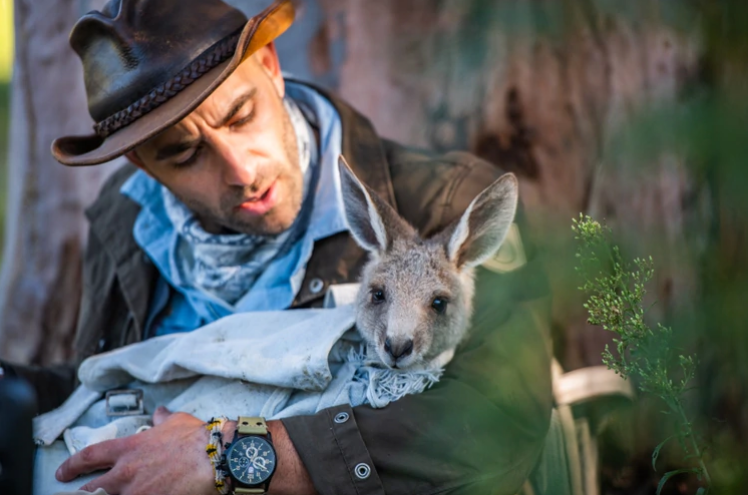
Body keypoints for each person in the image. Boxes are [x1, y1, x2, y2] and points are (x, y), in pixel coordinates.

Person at [0, 0, 554, 494]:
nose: (241, 171)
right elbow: (104, 377)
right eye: (184, 154)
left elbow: (500, 418)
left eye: (241, 115)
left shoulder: (441, 199)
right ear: (142, 163)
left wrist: (230, 455)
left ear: (269, 66)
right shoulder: (129, 218)